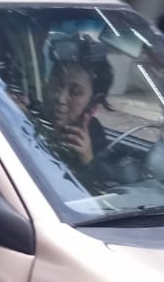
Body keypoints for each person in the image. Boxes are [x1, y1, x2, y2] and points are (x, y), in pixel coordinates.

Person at [37, 38, 114, 187]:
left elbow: (97, 195)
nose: (60, 98)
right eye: (57, 84)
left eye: (75, 92)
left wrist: (87, 159)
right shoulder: (29, 116)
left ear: (93, 101)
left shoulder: (94, 134)